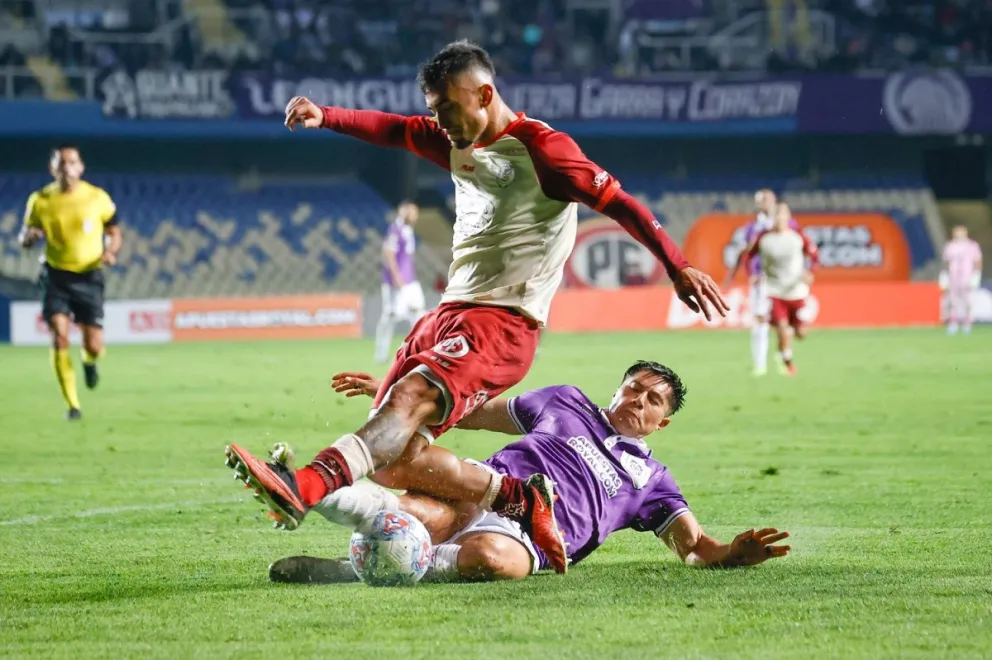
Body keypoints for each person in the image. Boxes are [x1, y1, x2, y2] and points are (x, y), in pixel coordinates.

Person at [224, 40, 728, 575]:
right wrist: (326, 116)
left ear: (484, 94)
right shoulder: (452, 139)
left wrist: (676, 266)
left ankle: (303, 486)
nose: (438, 120)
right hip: (447, 313)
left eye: (446, 107)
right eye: (434, 108)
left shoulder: (545, 150)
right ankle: (515, 498)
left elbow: (620, 204)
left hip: (504, 320)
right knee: (396, 465)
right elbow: (393, 129)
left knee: (412, 399)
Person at [268, 361, 791, 584]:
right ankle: (302, 489)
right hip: (481, 490)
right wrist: (393, 394)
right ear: (617, 389)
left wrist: (731, 555)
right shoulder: (565, 402)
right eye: (633, 387)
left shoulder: (654, 481)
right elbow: (466, 409)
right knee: (398, 462)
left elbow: (694, 548)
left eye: (652, 399)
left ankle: (347, 565)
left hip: (532, 539)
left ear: (663, 421)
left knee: (488, 558)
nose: (639, 400)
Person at [17, 145, 122, 420]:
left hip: (89, 275)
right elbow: (25, 236)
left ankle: (90, 363)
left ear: (81, 167)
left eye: (72, 162)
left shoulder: (97, 198)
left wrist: (110, 251)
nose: (66, 167)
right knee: (59, 335)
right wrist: (29, 239)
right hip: (56, 275)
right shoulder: (39, 200)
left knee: (94, 345)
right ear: (52, 169)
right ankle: (73, 406)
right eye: (61, 163)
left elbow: (114, 230)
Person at [725, 189, 798, 376]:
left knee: (784, 324)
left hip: (784, 281)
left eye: (767, 199)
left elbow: (798, 249)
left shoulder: (789, 225)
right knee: (760, 321)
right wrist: (744, 274)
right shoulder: (751, 228)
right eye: (761, 200)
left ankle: (783, 358)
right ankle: (760, 365)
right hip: (761, 281)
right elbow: (745, 254)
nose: (764, 203)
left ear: (774, 201)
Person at [745, 203, 818, 376]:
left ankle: (784, 349)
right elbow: (748, 256)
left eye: (782, 215)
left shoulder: (798, 236)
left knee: (801, 333)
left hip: (796, 290)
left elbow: (814, 255)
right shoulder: (763, 237)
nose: (779, 219)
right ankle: (786, 360)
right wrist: (753, 273)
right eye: (776, 216)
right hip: (774, 290)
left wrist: (810, 272)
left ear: (788, 217)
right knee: (782, 327)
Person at [375, 201, 427, 363]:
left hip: (410, 281)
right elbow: (388, 253)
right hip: (396, 283)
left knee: (419, 315)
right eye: (412, 213)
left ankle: (419, 351)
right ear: (404, 213)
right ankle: (381, 354)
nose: (415, 216)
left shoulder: (407, 229)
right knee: (390, 317)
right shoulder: (395, 230)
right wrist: (396, 276)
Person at [940, 225, 983, 336]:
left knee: (968, 301)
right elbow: (946, 262)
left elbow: (978, 261)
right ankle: (953, 323)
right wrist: (945, 275)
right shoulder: (950, 246)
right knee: (952, 301)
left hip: (967, 277)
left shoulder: (972, 246)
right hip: (953, 278)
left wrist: (976, 276)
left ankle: (967, 323)